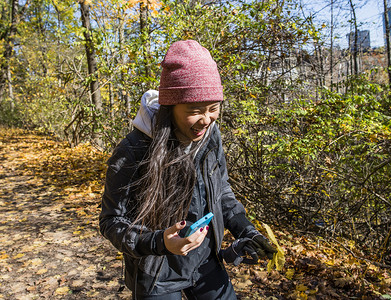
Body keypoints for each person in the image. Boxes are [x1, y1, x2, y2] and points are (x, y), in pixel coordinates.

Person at [99, 40, 276, 300]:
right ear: (171, 107)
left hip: (206, 262)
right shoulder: (134, 150)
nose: (206, 119)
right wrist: (160, 241)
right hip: (156, 271)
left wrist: (245, 229)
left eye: (214, 108)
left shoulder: (210, 137)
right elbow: (111, 221)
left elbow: (221, 191)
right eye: (195, 110)